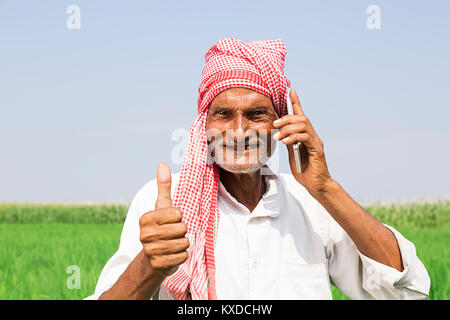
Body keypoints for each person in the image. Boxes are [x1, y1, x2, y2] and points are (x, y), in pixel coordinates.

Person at [86, 38, 430, 300]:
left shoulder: (310, 204)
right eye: (223, 114)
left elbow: (406, 289)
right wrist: (150, 266)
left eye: (256, 114)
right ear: (202, 125)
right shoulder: (164, 202)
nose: (239, 132)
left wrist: (325, 187)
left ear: (280, 124)